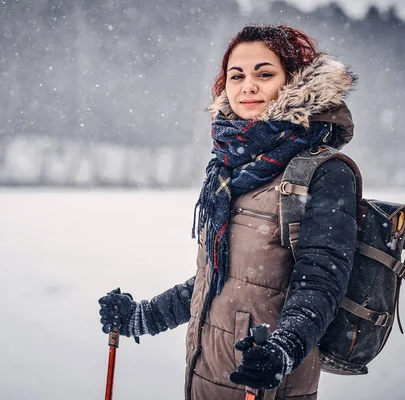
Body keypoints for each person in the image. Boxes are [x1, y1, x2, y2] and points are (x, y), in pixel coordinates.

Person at [98, 25, 358, 400]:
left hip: (268, 388)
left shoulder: (323, 172)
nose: (247, 86)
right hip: (205, 380)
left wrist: (283, 349)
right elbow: (220, 281)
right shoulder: (229, 168)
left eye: (264, 74)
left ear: (295, 83)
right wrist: (144, 316)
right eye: (236, 76)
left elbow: (321, 281)